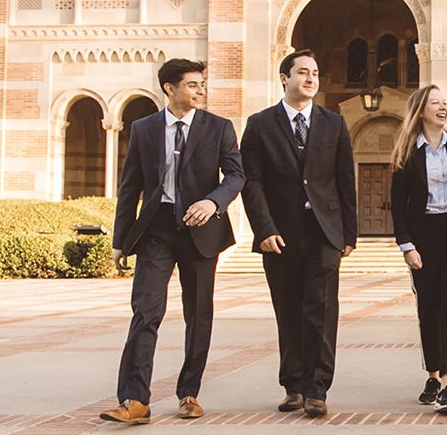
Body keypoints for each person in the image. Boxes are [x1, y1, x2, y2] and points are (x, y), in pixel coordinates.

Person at [101, 59, 244, 425]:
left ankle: (189, 393)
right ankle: (135, 399)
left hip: (201, 231)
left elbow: (235, 175)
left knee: (198, 315)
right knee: (145, 312)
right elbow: (130, 186)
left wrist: (213, 201)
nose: (201, 90)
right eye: (193, 84)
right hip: (156, 231)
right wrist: (121, 240)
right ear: (170, 88)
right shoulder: (144, 129)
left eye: (202, 84)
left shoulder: (219, 127)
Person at [240, 50, 357, 418]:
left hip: (324, 232)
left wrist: (349, 234)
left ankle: (317, 389)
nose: (310, 78)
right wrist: (264, 230)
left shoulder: (334, 124)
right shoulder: (259, 125)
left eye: (315, 73)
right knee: (288, 309)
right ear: (284, 78)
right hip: (280, 234)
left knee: (321, 312)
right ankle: (293, 385)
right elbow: (251, 183)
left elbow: (344, 180)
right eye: (303, 72)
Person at [389, 85, 447, 416]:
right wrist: (407, 245)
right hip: (423, 238)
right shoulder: (406, 153)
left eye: (445, 103)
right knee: (428, 310)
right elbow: (398, 205)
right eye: (435, 103)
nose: (443, 107)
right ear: (421, 110)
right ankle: (432, 375)